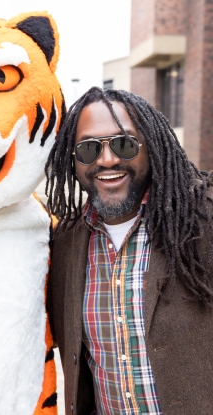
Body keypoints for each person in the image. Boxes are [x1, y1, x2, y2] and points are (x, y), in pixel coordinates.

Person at [45, 87, 213, 415]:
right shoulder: (64, 243)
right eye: (89, 149)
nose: (107, 160)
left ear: (151, 146)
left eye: (124, 144)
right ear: (74, 160)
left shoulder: (203, 221)